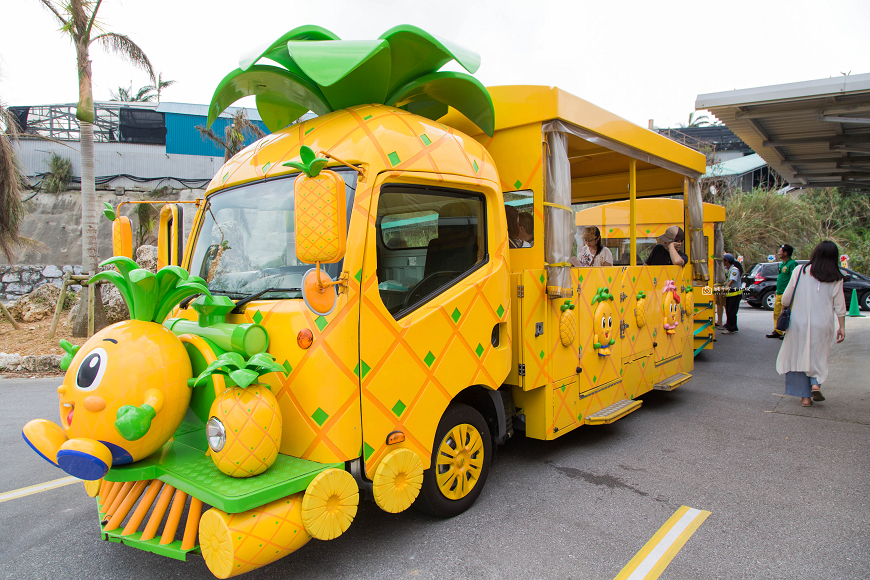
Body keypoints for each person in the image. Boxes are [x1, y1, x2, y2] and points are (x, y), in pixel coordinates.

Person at [776, 240, 847, 407]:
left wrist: (783, 309)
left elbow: (786, 297)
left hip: (799, 322)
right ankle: (815, 383)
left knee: (800, 355)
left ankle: (805, 398)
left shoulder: (800, 270)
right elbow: (840, 305)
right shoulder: (836, 277)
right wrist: (842, 327)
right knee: (818, 355)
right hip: (823, 323)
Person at [767, 244, 797, 339]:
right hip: (779, 292)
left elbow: (794, 279)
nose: (778, 253)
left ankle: (787, 332)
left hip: (787, 293)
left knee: (787, 313)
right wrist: (777, 289)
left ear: (785, 253)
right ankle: (777, 330)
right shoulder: (782, 264)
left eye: (780, 251)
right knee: (777, 312)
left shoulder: (792, 264)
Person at [721, 253, 742, 334]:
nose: (723, 261)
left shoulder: (734, 270)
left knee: (732, 311)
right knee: (729, 310)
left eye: (723, 260)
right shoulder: (728, 269)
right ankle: (731, 326)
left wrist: (727, 287)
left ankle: (731, 328)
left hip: (735, 294)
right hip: (730, 294)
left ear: (727, 261)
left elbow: (732, 280)